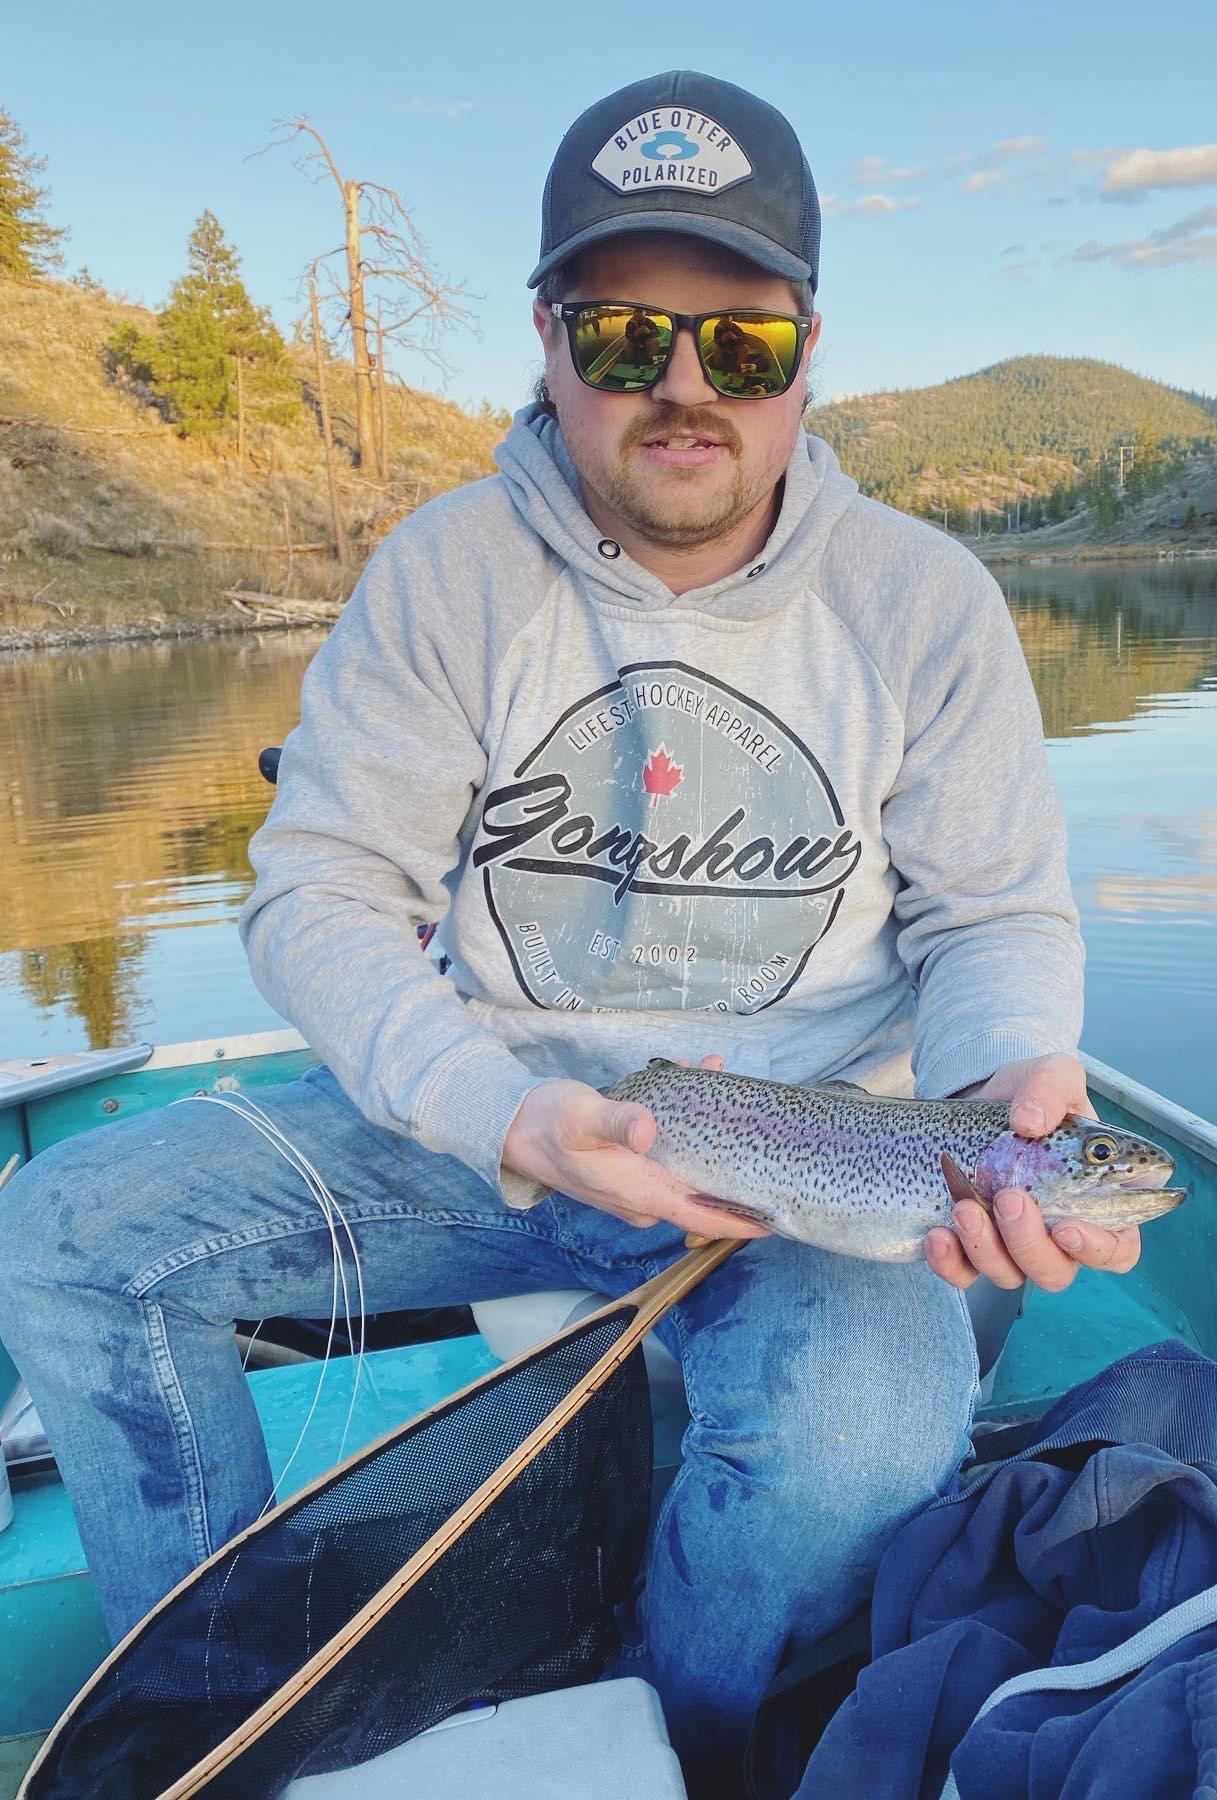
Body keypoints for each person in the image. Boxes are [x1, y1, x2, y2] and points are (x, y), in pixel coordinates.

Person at [0, 69, 1140, 1785]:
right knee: (64, 1233)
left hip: (809, 1179)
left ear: (807, 353)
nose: (683, 390)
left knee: (867, 1428)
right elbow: (318, 891)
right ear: (548, 341)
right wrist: (508, 1110)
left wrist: (1004, 1092)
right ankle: (232, 1707)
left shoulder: (923, 602)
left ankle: (683, 1739)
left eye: (738, 346)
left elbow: (994, 920)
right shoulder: (448, 574)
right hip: (487, 1128)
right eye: (624, 338)